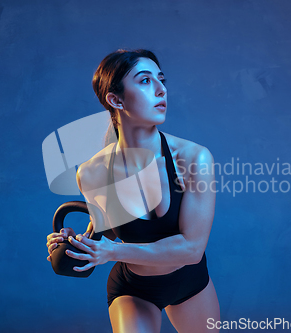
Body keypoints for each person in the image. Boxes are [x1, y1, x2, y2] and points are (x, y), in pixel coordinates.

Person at [46, 49, 220, 333]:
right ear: (115, 99)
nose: (161, 89)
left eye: (161, 79)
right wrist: (77, 244)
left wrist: (111, 251)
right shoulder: (91, 173)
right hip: (134, 288)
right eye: (145, 81)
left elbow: (191, 249)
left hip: (190, 281)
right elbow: (113, 232)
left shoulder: (193, 159)